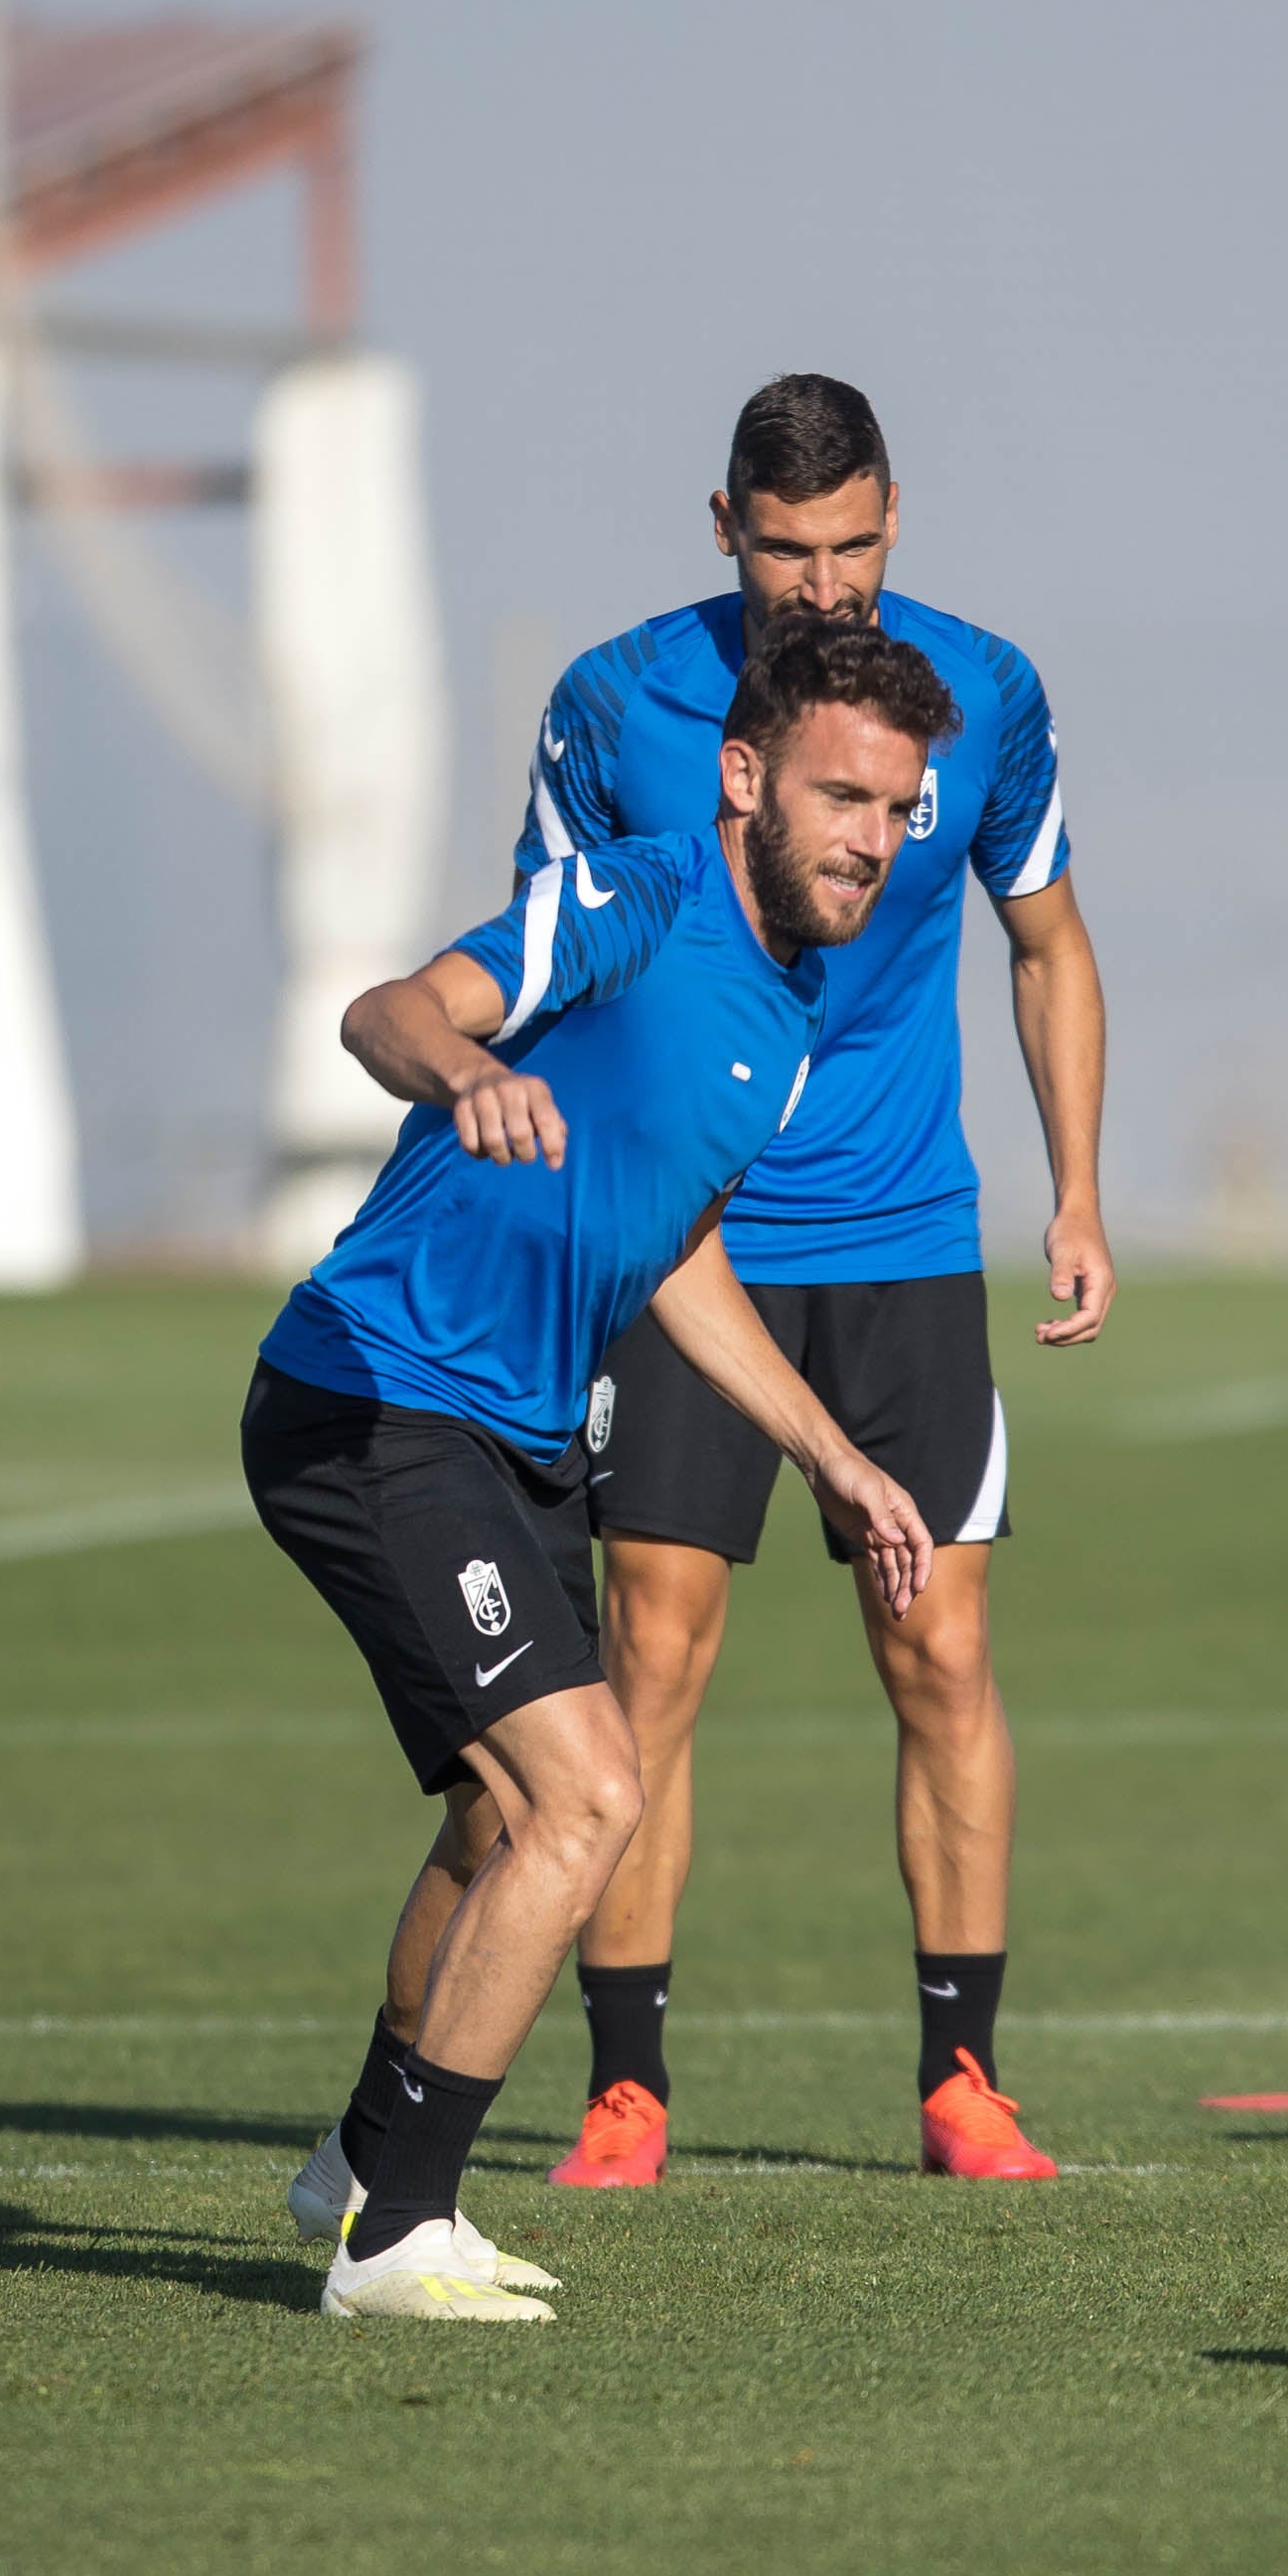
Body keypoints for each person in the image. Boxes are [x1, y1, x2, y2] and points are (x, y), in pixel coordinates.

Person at [253, 623, 961, 2320]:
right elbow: (387, 1011)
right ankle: (399, 2232)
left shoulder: (791, 1005)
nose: (869, 833)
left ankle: (357, 2165)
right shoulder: (631, 900)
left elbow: (671, 1244)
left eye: (897, 805)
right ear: (743, 778)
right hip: (375, 1396)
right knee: (587, 1795)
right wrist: (472, 1064)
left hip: (514, 1434)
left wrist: (833, 1457)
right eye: (838, 794)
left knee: (504, 1809)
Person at [512, 374, 1109, 2193]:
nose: (820, 580)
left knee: (940, 1649)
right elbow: (554, 970)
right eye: (784, 547)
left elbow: (1048, 945)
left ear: (894, 518)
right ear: (723, 528)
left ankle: (962, 2081)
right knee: (651, 1661)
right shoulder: (616, 705)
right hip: (683, 1247)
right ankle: (627, 2091)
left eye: (851, 541)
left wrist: (1075, 1189)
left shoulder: (980, 697)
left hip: (906, 1244)